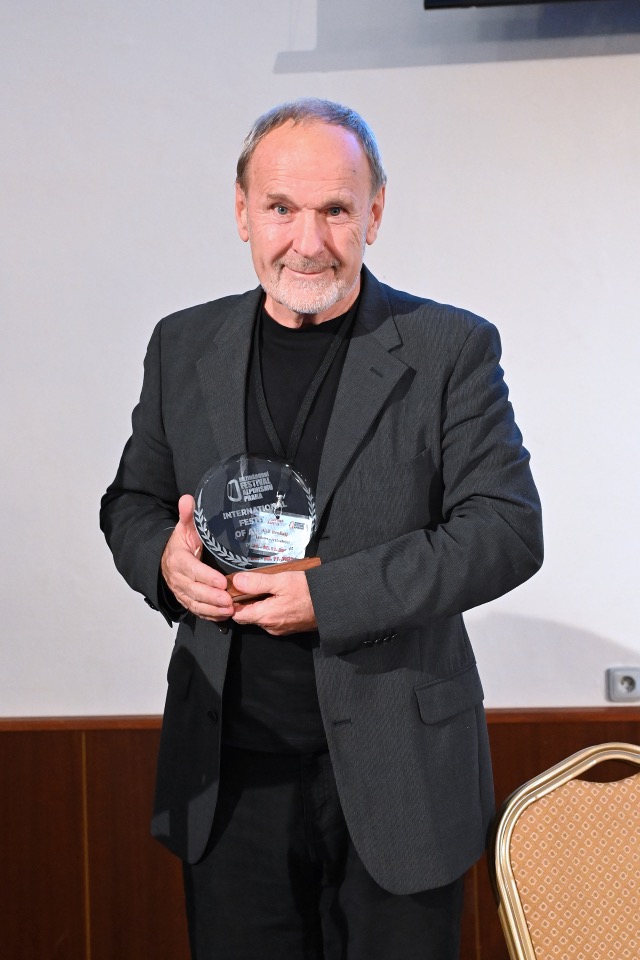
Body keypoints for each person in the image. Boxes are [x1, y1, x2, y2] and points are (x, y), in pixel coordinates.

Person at [100, 98, 543, 960]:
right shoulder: (181, 344)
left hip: (401, 777)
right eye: (281, 208)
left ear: (374, 214)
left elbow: (506, 529)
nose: (308, 241)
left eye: (336, 209)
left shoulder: (449, 347)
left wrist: (329, 597)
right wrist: (163, 562)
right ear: (242, 212)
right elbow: (132, 503)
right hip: (228, 778)